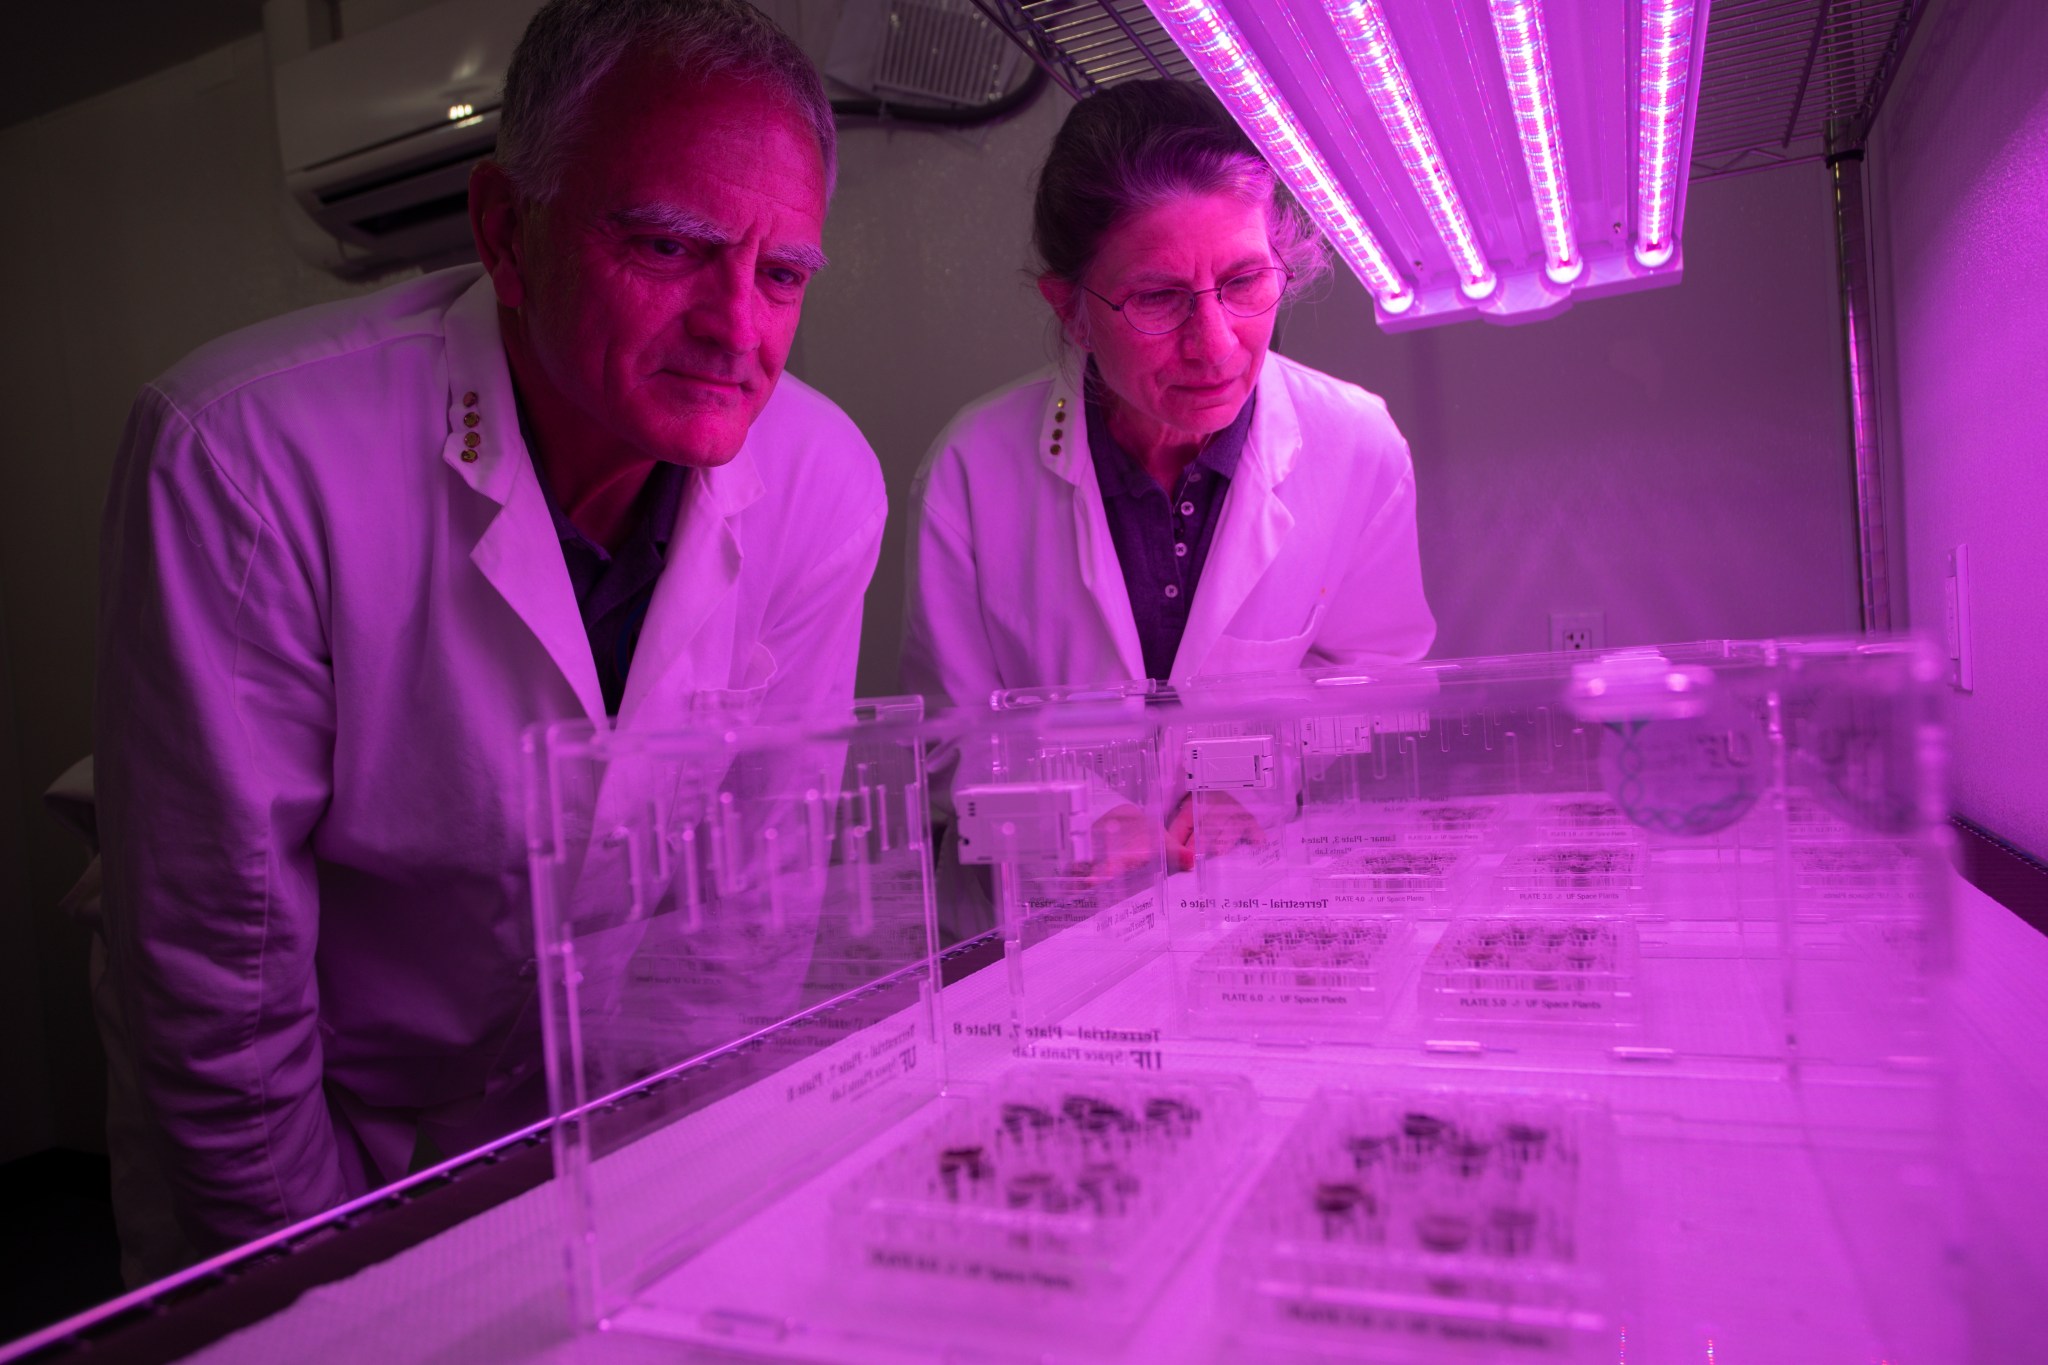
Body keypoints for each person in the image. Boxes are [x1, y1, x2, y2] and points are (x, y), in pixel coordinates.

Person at [93, 0, 883, 1281]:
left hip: (593, 1123)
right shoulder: (250, 455)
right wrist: (332, 1285)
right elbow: (225, 978)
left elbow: (745, 926)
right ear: (507, 233)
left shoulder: (823, 480)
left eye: (781, 273)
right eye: (670, 246)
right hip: (309, 1123)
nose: (737, 330)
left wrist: (672, 1220)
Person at [900, 82, 1435, 929]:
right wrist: (1072, 816)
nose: (1216, 345)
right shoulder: (973, 469)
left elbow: (1377, 691)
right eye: (1157, 299)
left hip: (1259, 915)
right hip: (1039, 935)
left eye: (1244, 280)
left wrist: (1255, 789)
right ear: (1070, 309)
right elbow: (946, 738)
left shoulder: (1357, 447)